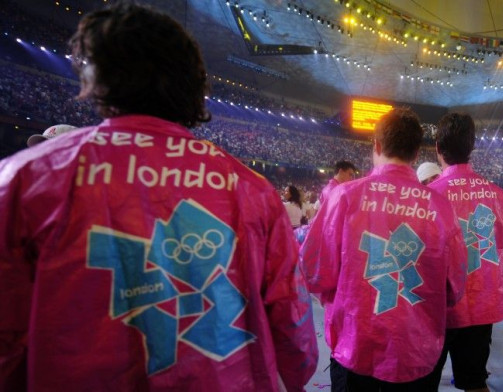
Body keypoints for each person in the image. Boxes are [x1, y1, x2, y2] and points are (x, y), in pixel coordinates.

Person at [0, 4, 317, 390]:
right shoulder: (251, 188)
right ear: (196, 87)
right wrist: (295, 375)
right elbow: (291, 316)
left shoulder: (27, 178)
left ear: (96, 79)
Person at [300, 108, 467, 390]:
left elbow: (315, 272)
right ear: (416, 154)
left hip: (355, 342)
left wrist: (334, 297)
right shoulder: (440, 207)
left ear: (376, 146)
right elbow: (454, 287)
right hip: (415, 347)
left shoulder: (344, 196)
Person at [426, 113, 503, 391]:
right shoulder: (498, 195)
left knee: (424, 384)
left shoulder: (428, 195)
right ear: (472, 146)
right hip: (480, 306)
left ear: (438, 148)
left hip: (438, 307)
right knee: (475, 382)